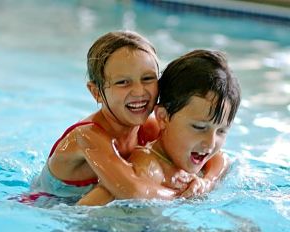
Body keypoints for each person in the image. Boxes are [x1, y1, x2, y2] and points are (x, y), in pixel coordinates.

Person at [29, 31, 226, 201]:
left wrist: (206, 183)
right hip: (49, 208)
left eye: (148, 78)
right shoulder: (87, 136)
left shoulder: (150, 127)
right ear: (96, 92)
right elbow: (132, 191)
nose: (139, 91)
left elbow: (217, 157)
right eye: (123, 82)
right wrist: (183, 195)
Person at [76, 49, 241, 206]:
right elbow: (87, 207)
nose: (210, 144)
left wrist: (207, 182)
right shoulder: (148, 168)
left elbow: (221, 158)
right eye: (199, 127)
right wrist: (180, 196)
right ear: (163, 117)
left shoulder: (189, 154)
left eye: (221, 131)